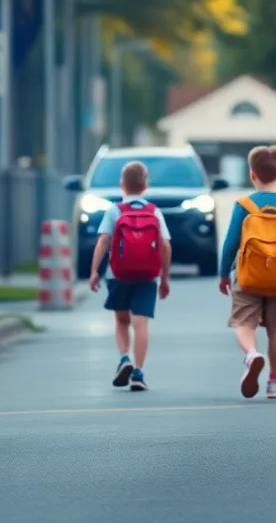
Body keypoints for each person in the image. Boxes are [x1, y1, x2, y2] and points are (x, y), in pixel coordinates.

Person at [218, 145, 276, 399]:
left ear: (252, 175)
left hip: (248, 278)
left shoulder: (244, 205)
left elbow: (230, 243)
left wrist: (224, 273)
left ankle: (251, 354)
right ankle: (275, 382)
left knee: (244, 323)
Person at [88, 161, 172, 391]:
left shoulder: (114, 210)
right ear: (145, 186)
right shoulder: (154, 211)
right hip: (147, 275)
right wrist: (164, 277)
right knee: (140, 323)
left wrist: (95, 271)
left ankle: (124, 357)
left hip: (118, 275)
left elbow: (104, 241)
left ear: (121, 185)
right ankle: (139, 372)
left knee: (122, 320)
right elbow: (165, 245)